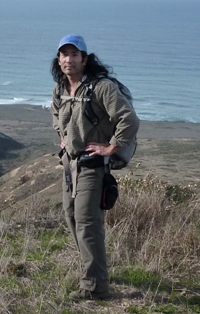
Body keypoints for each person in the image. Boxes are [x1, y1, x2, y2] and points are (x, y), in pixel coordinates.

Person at [50, 34, 140, 300]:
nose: (69, 59)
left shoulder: (101, 88)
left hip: (93, 166)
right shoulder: (60, 89)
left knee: (88, 223)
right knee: (72, 218)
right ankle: (96, 271)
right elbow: (56, 116)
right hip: (70, 164)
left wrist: (111, 147)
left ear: (85, 59)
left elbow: (129, 119)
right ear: (59, 59)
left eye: (74, 54)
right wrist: (63, 138)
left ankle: (95, 287)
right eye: (64, 54)